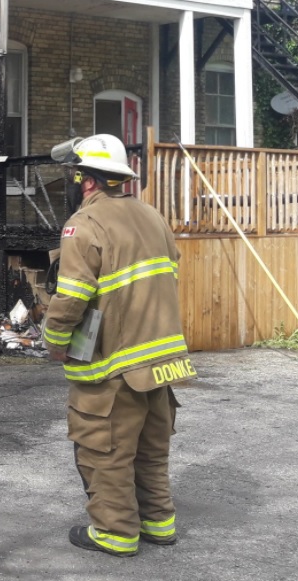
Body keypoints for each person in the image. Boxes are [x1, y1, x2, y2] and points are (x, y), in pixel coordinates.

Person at [42, 133, 196, 558]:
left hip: (113, 367)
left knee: (103, 450)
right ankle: (159, 524)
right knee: (150, 450)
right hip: (161, 363)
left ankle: (115, 533)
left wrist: (54, 341)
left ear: (87, 181)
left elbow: (71, 296)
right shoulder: (153, 217)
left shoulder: (84, 225)